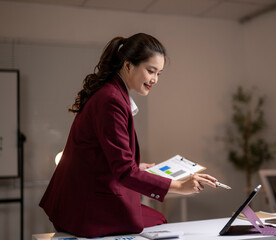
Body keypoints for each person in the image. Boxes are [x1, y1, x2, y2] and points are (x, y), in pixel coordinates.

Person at [39, 33, 218, 238]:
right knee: (158, 220)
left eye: (159, 73)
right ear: (128, 66)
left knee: (155, 219)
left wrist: (138, 167)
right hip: (85, 207)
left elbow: (105, 154)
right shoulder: (111, 101)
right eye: (151, 71)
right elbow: (124, 171)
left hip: (79, 199)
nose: (155, 80)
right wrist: (180, 186)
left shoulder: (111, 94)